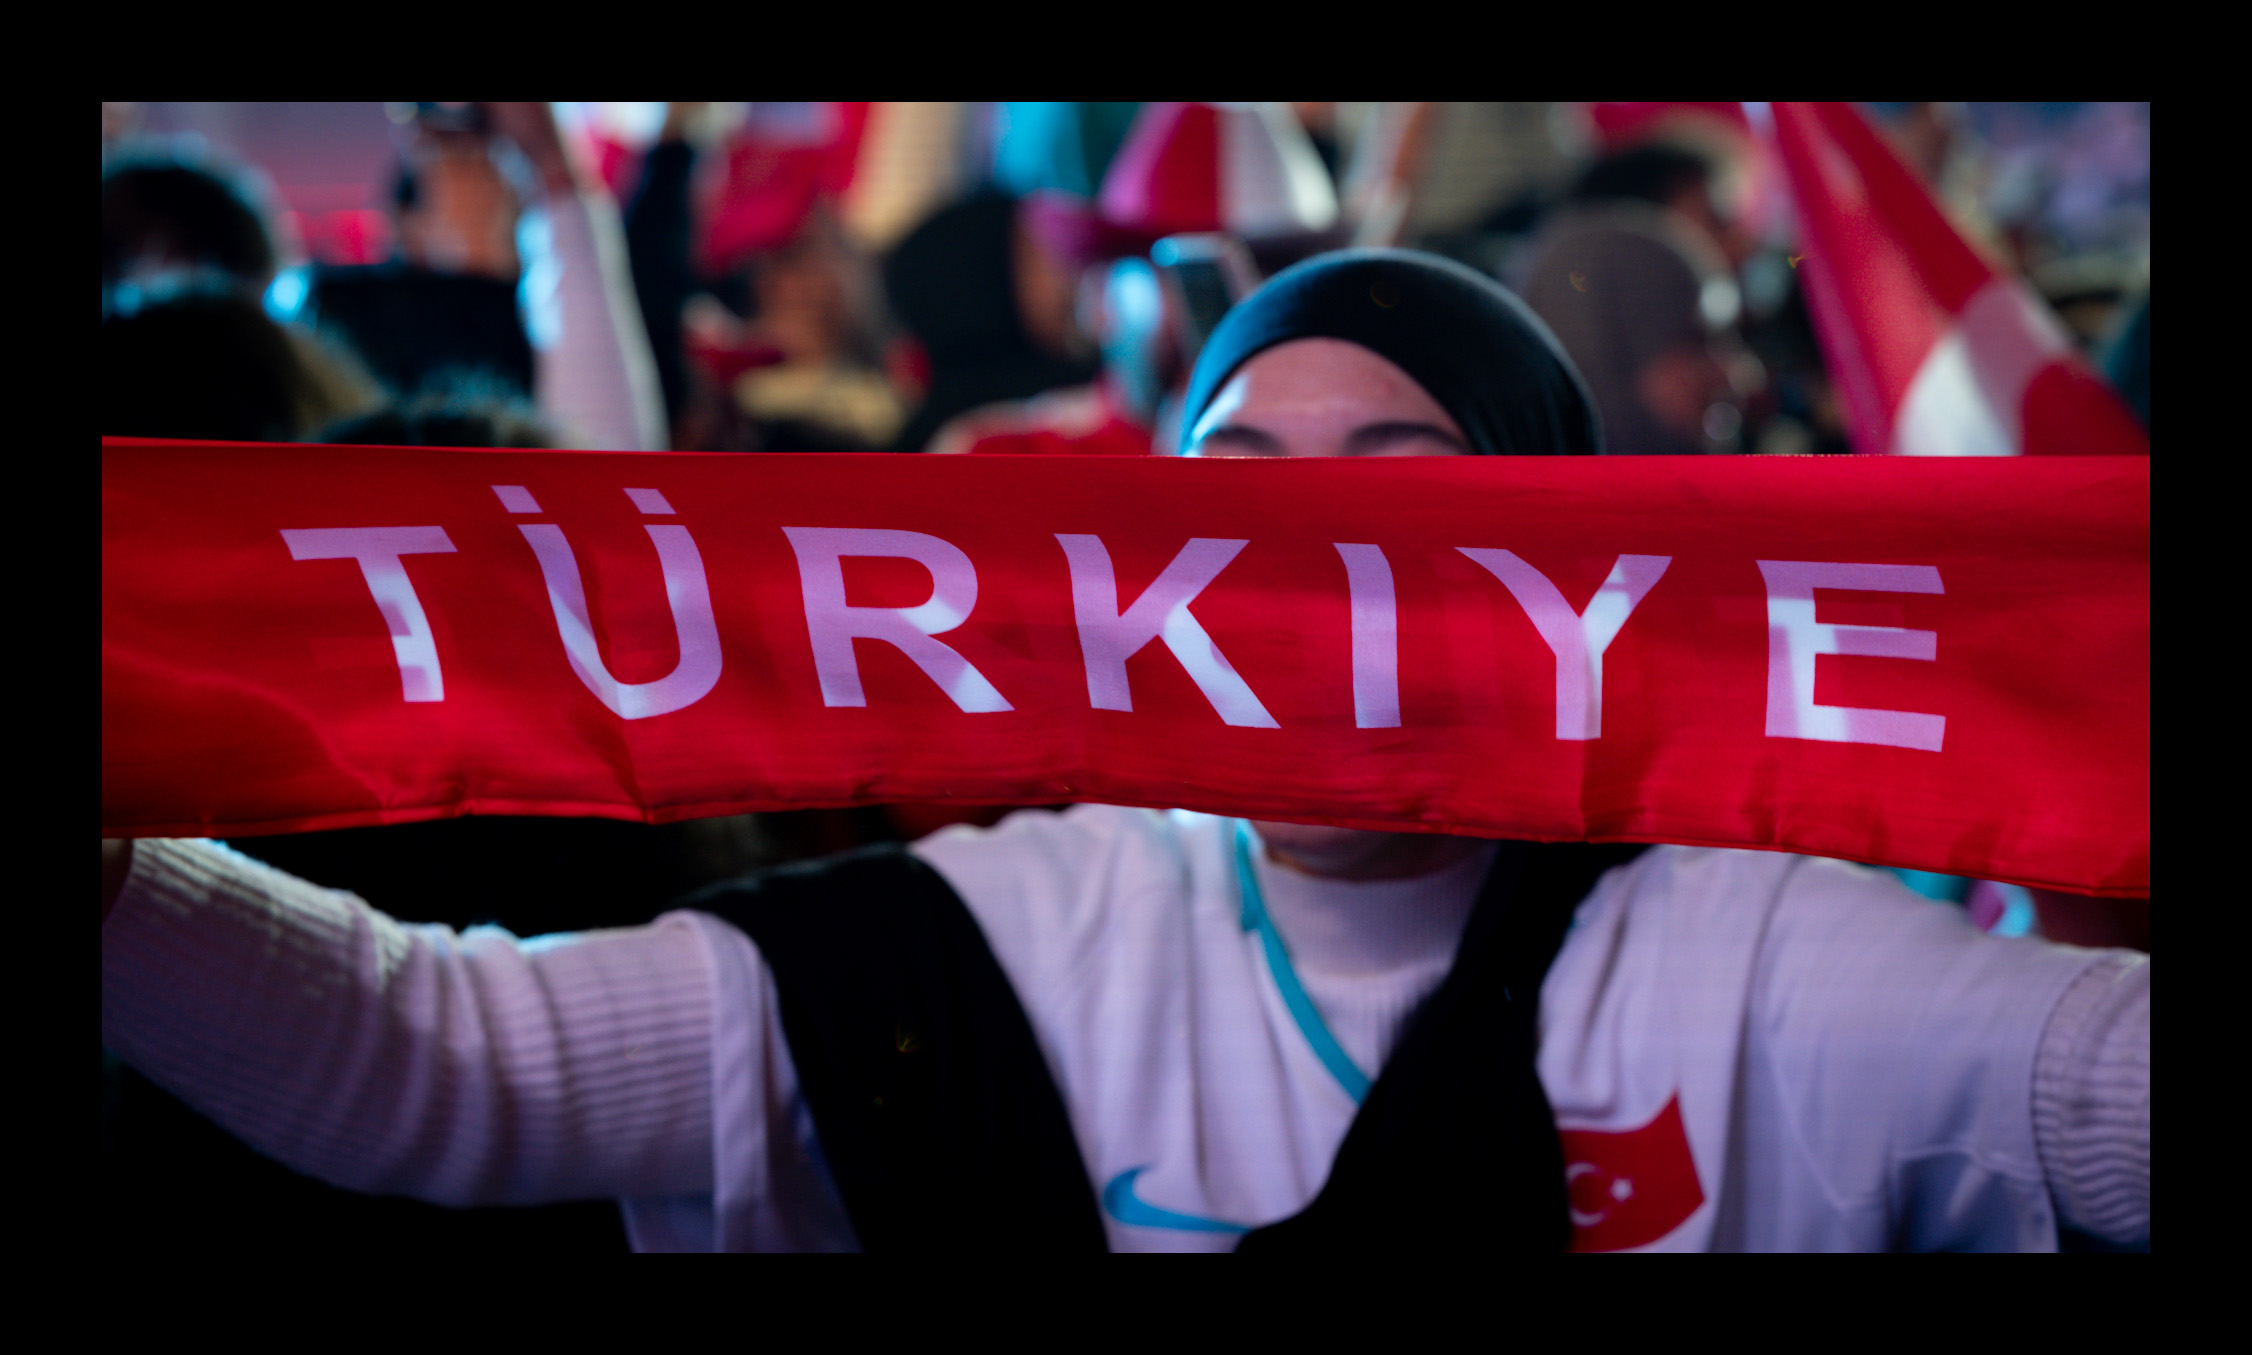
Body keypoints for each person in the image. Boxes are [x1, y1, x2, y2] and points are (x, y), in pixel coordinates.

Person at [100, 250, 2147, 1252]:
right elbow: (440, 1064)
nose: (1298, 571)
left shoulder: (1744, 947)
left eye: (1399, 502)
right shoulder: (1008, 920)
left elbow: (2090, 1097)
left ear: (1559, 564)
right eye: (1230, 496)